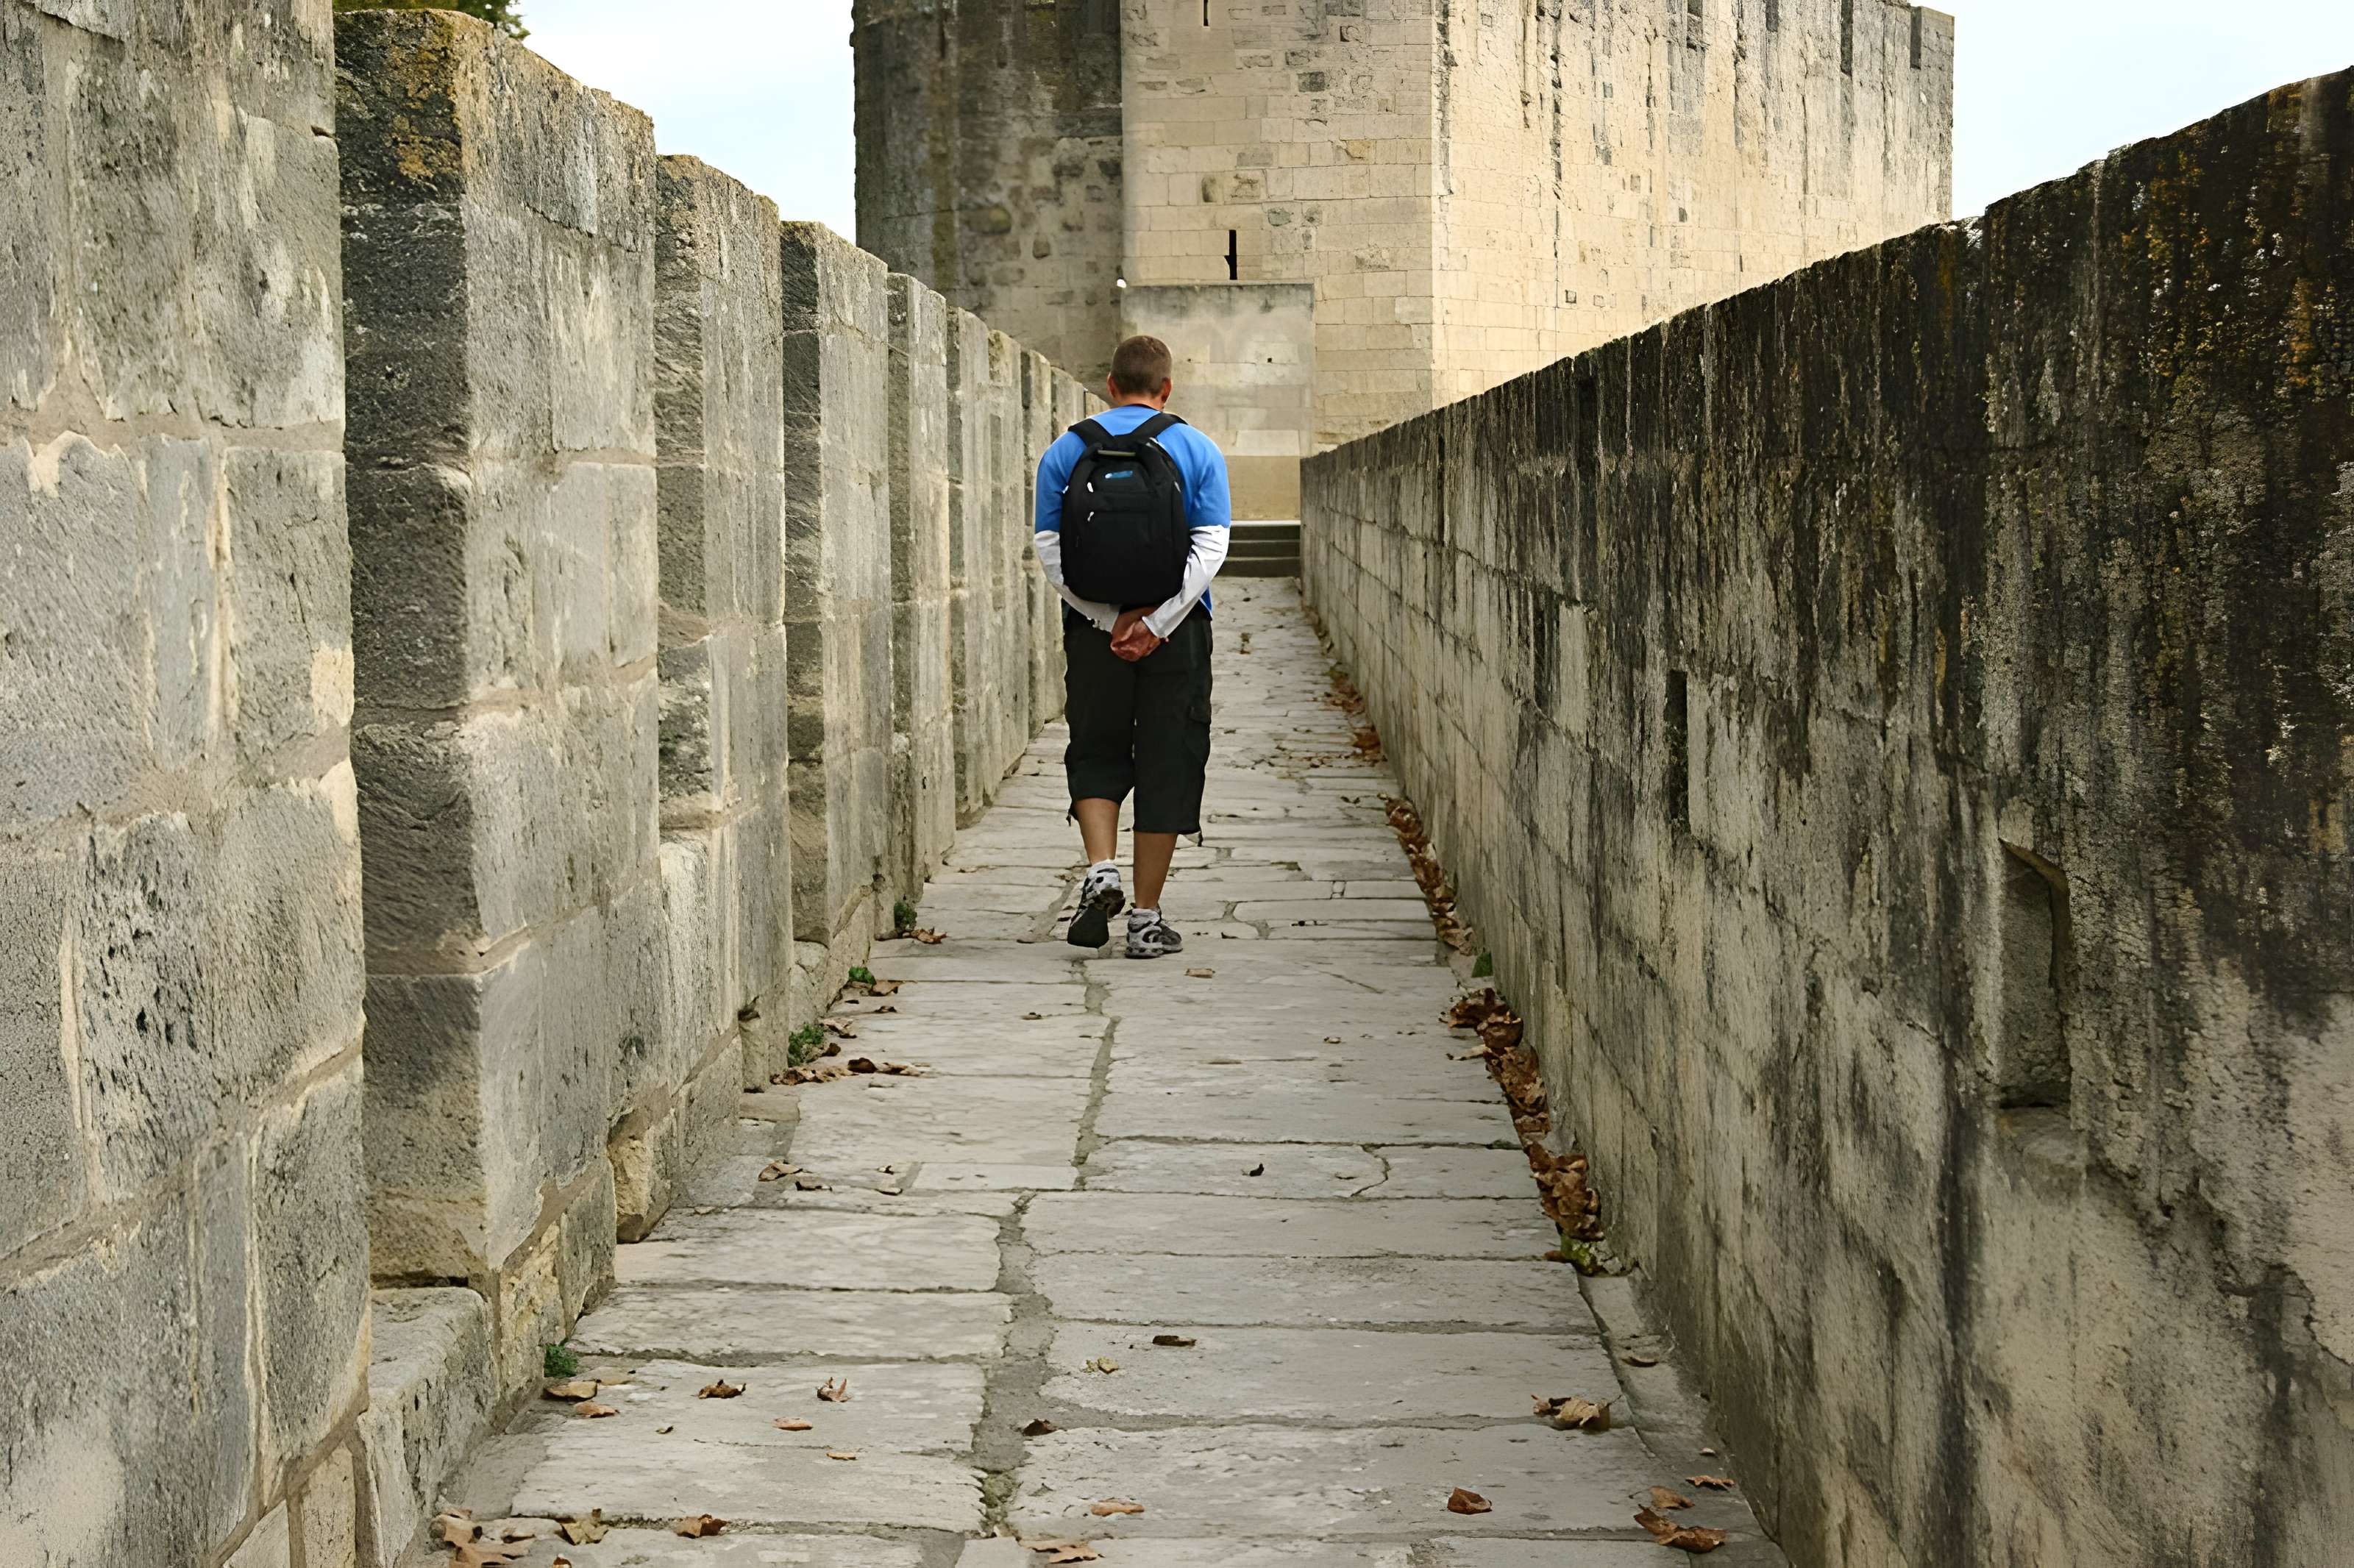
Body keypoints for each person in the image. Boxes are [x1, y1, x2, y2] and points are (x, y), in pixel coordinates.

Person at [1034, 335, 1231, 958]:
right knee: (1168, 759)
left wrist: (1107, 617)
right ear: (1166, 389)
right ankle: (1146, 920)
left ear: (1110, 386)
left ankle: (1101, 868)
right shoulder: (1197, 448)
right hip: (1178, 637)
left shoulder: (1066, 451)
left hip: (1096, 638)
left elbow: (1050, 551)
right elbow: (1210, 549)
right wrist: (1158, 622)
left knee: (1096, 745)